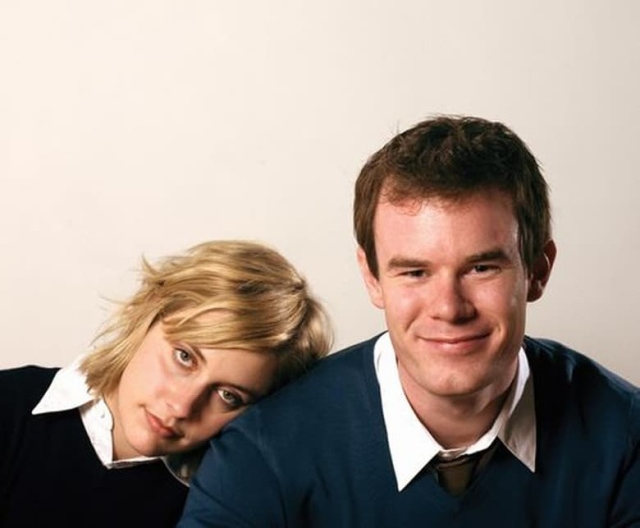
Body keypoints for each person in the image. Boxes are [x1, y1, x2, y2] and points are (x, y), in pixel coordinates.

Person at [178, 116, 640, 527]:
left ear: (537, 270)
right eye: (415, 272)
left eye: (481, 268)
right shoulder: (262, 455)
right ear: (372, 278)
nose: (449, 308)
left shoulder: (626, 437)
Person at [0, 239, 331, 527]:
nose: (182, 406)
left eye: (228, 395)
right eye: (184, 357)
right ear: (149, 313)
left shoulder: (224, 506)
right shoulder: (11, 404)